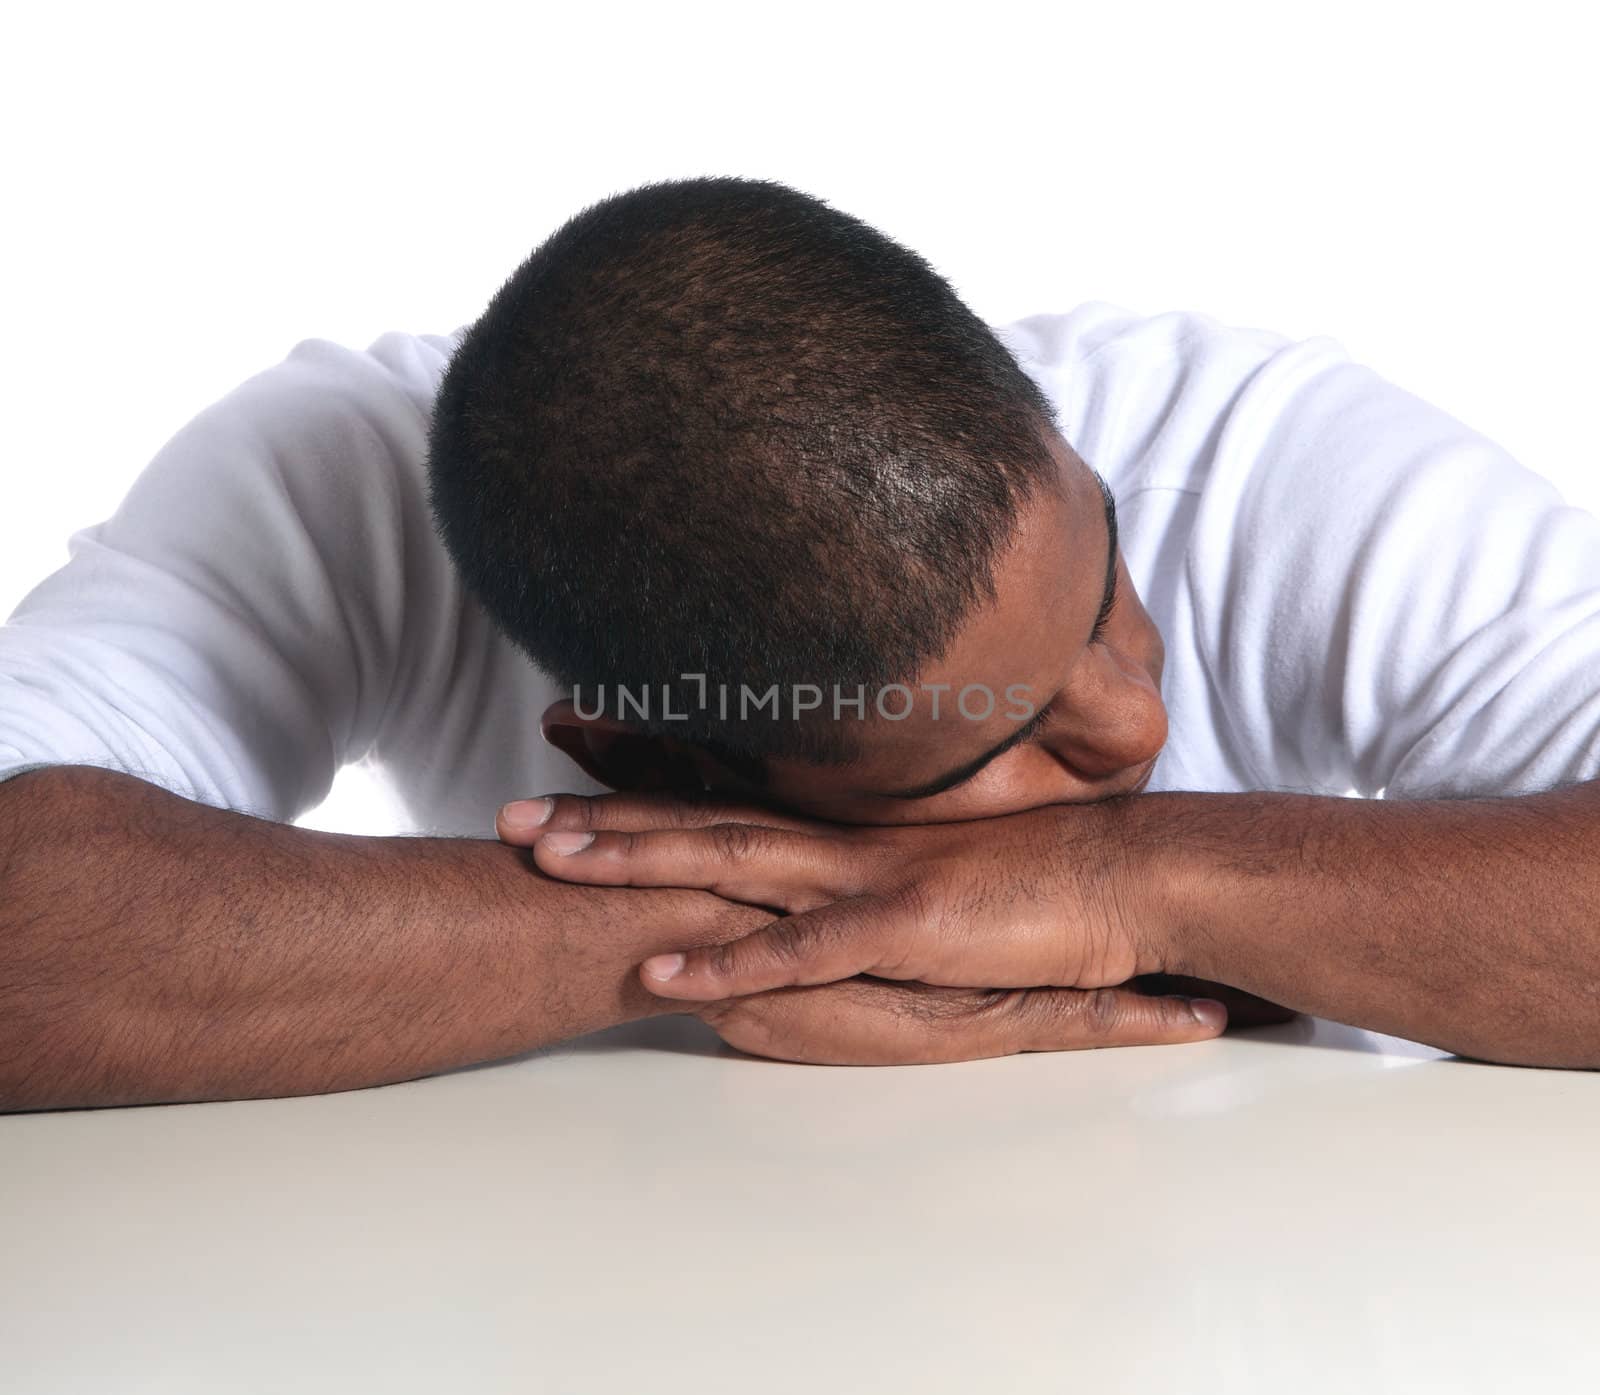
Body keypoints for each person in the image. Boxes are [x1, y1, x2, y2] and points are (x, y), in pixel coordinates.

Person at [3, 176, 1597, 1111]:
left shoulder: (1257, 445)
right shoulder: (327, 475)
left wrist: (1128, 883)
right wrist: (766, 933)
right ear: (640, 759)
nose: (1131, 720)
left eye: (1103, 583)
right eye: (1005, 739)